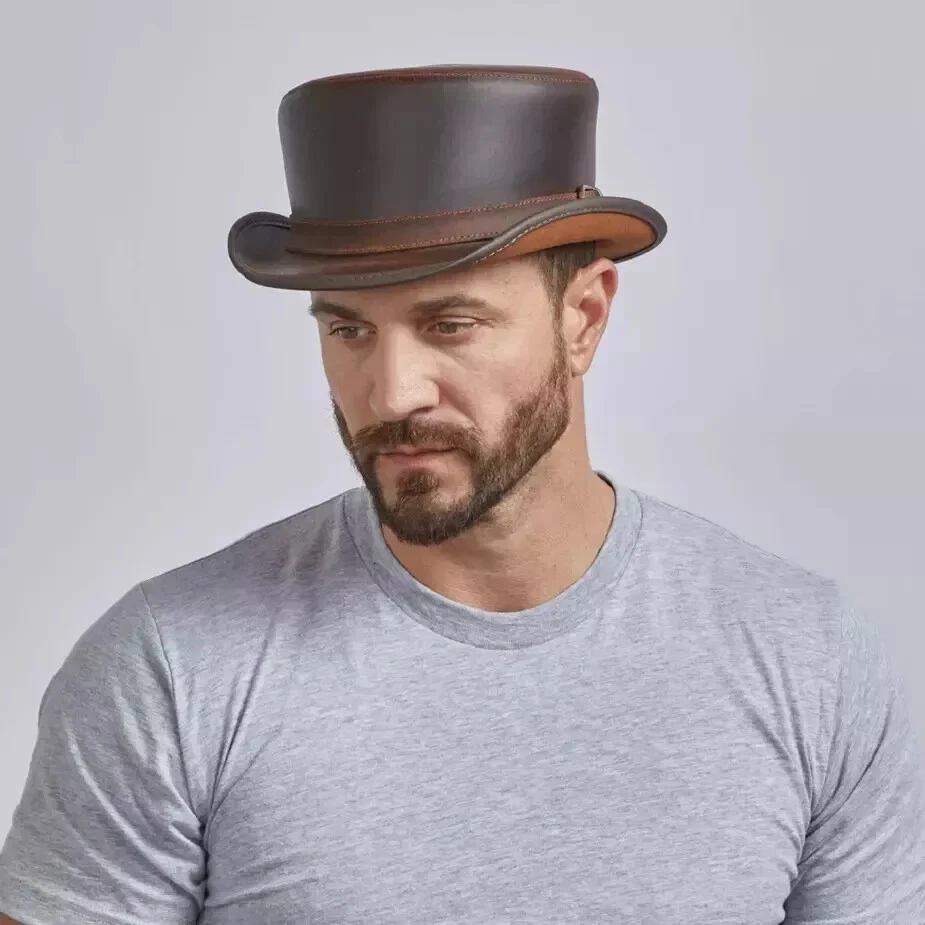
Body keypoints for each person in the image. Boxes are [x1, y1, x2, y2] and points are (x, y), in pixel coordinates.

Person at [1, 63, 923, 925]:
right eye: (348, 329)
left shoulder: (806, 659)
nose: (390, 392)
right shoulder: (170, 667)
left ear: (583, 318)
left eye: (449, 324)